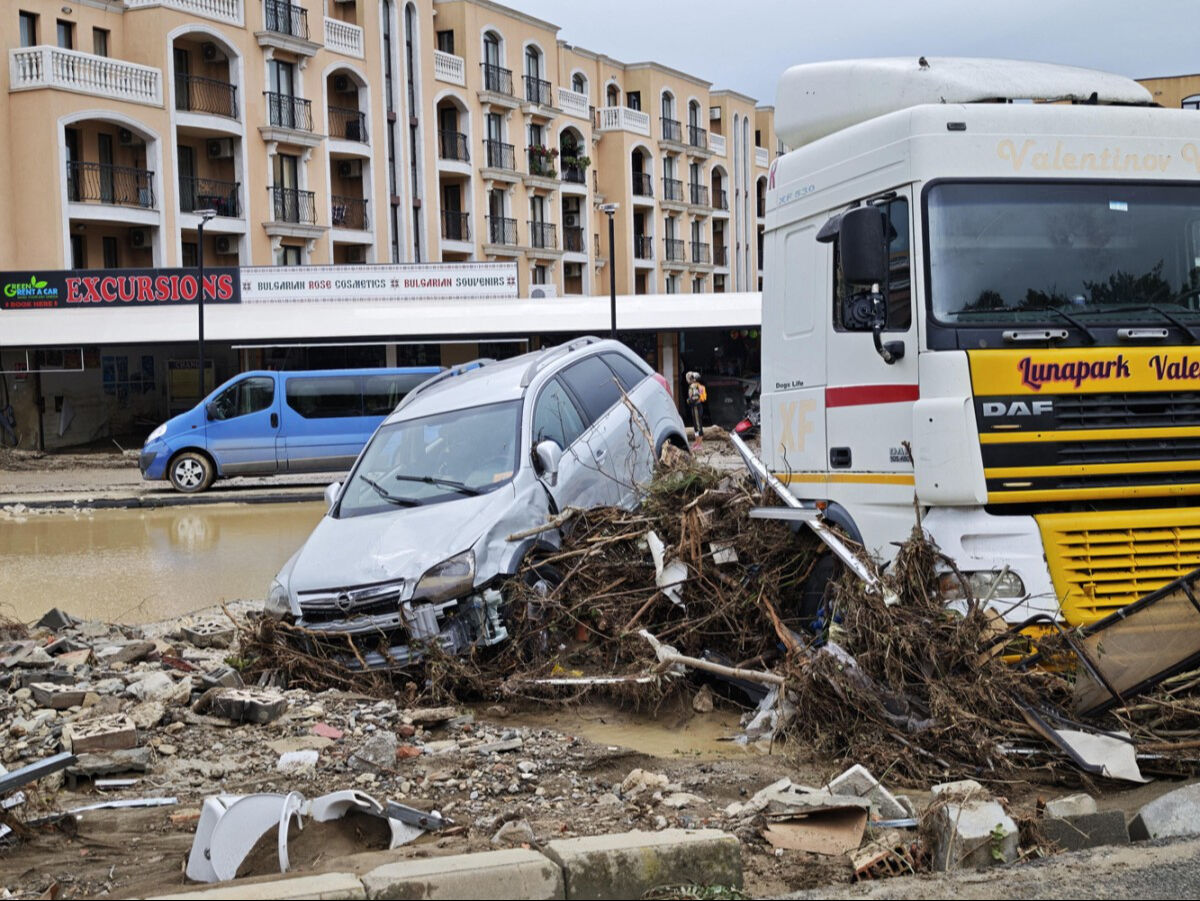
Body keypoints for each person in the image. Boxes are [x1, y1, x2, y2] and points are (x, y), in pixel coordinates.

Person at [686, 371, 706, 447]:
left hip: (696, 407)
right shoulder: (695, 386)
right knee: (695, 425)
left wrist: (689, 400)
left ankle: (699, 443)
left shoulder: (694, 386)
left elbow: (696, 397)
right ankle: (697, 441)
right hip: (695, 407)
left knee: (698, 425)